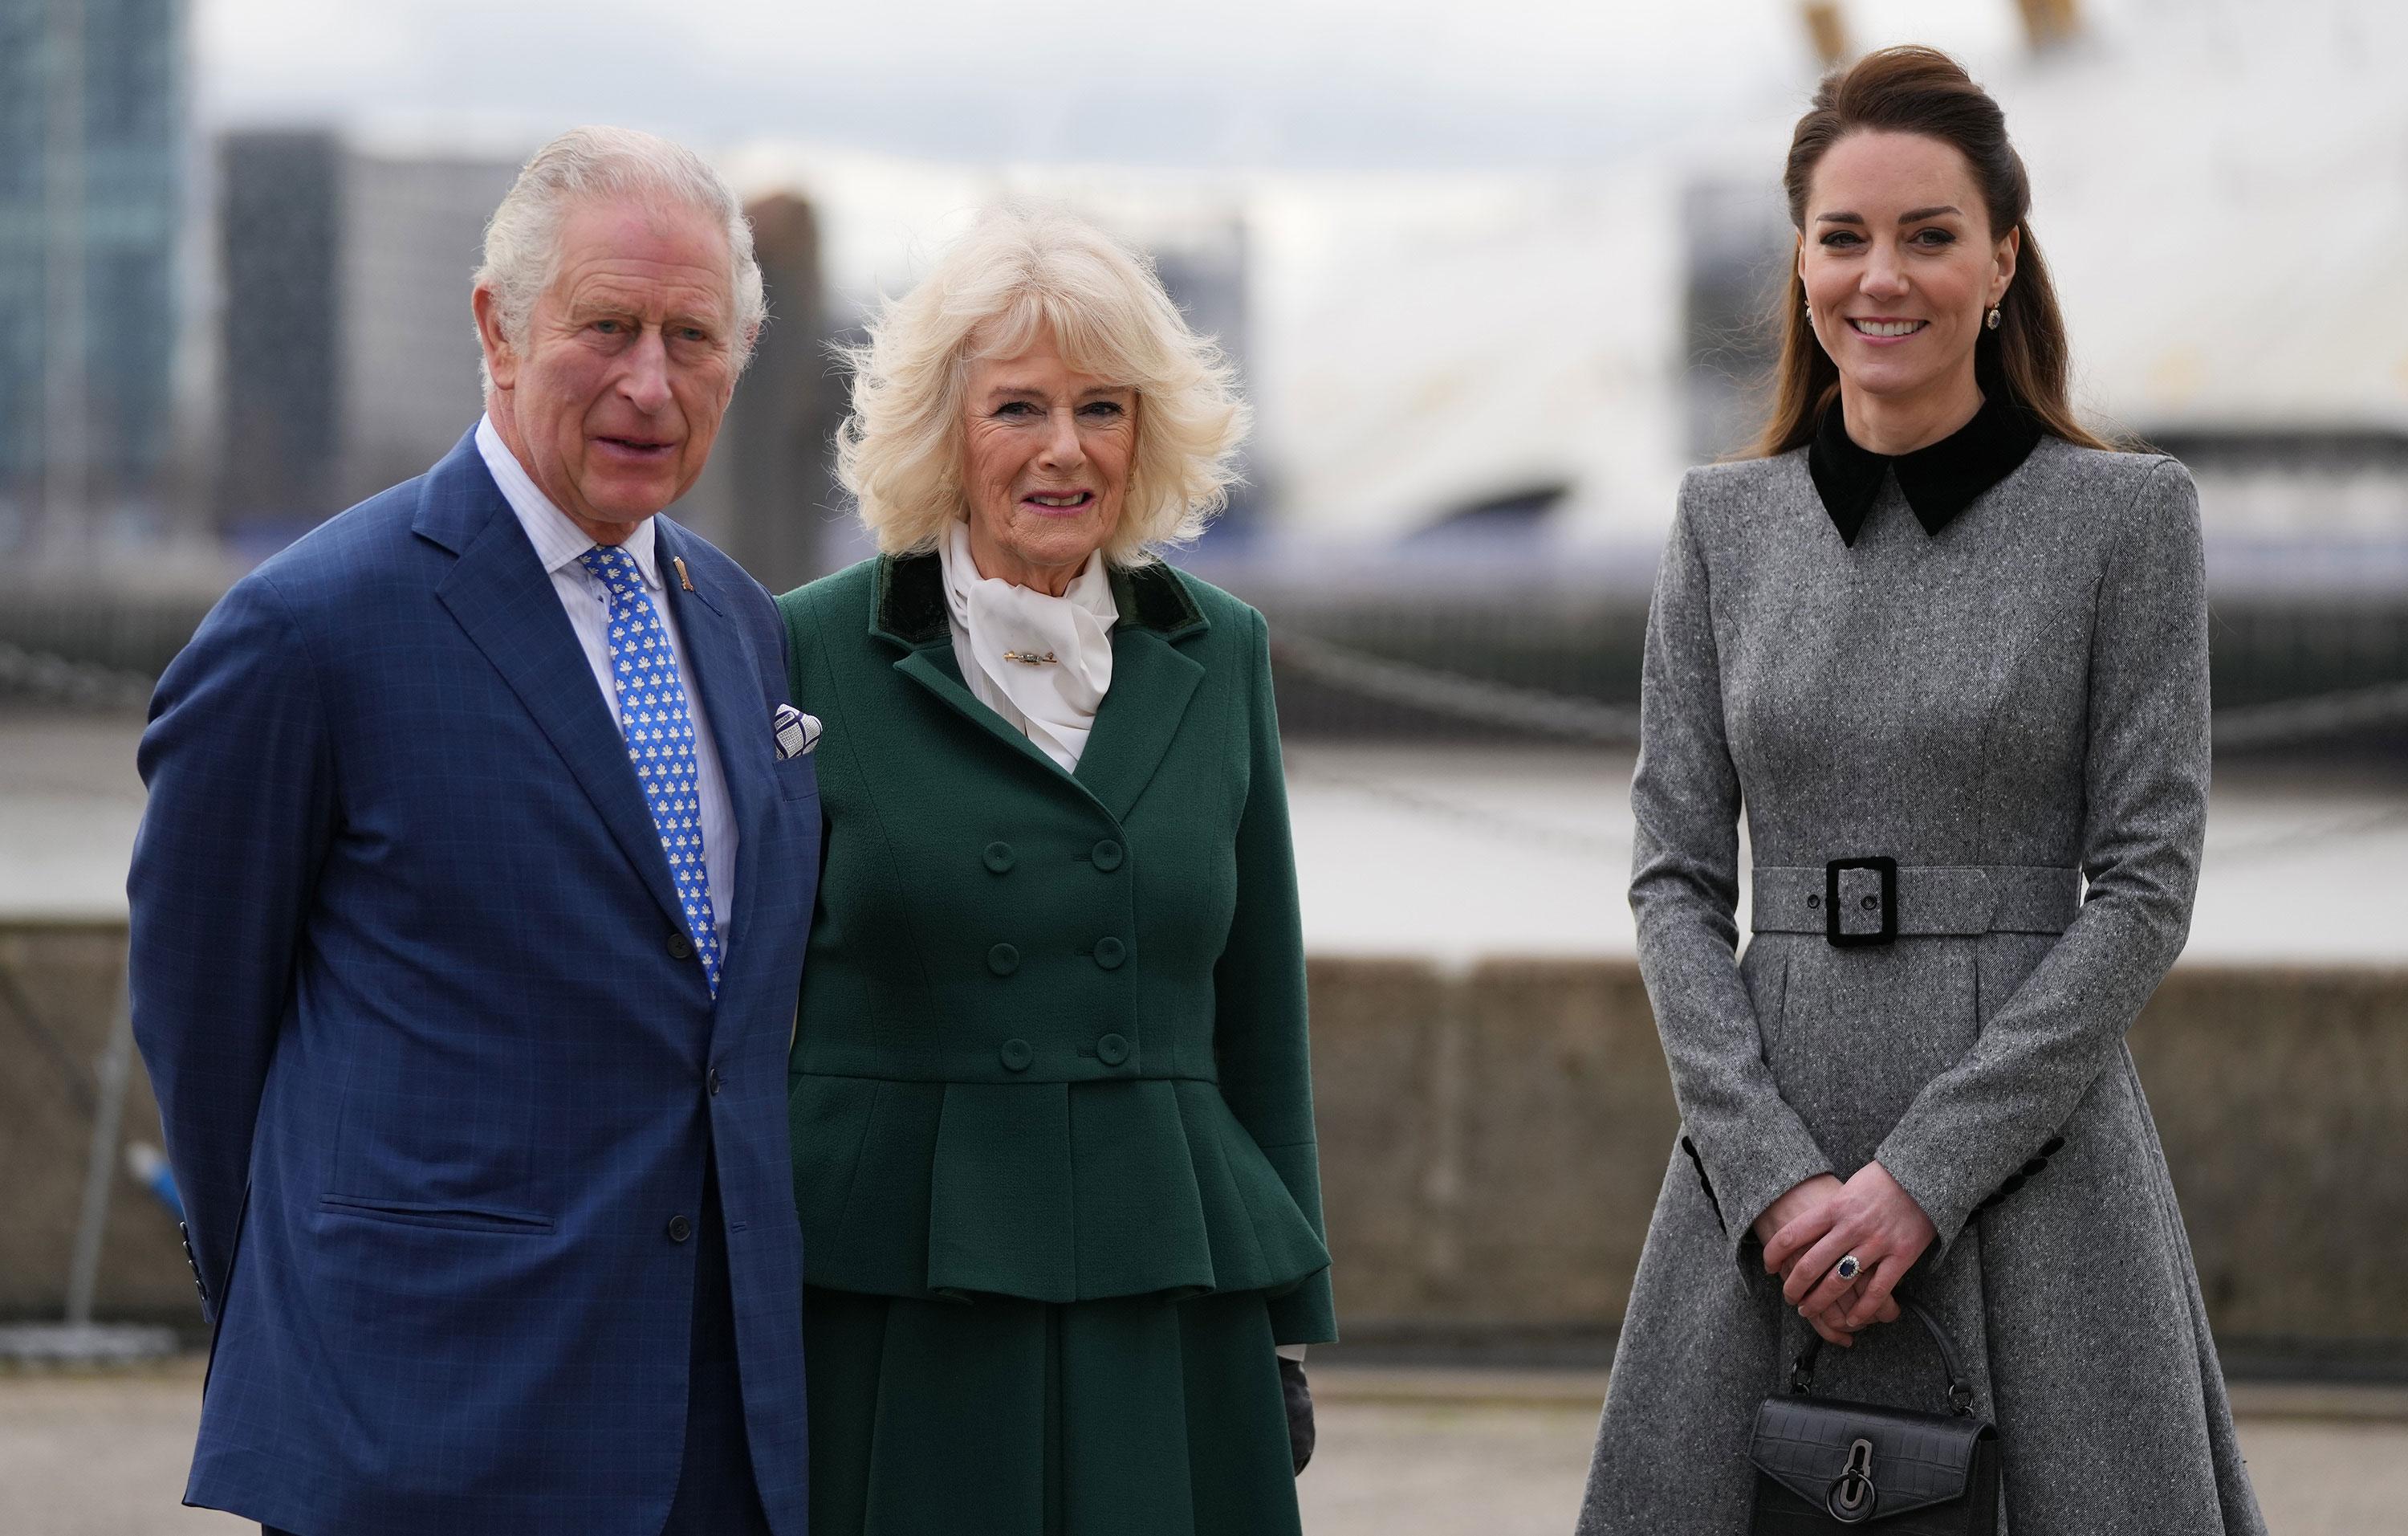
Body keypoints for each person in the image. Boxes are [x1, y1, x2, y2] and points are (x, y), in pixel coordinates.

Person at [1577, 47, 2267, 1533]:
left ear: (2002, 260)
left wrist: (1920, 1179)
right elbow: (1675, 881)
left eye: (1929, 234)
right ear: (1802, 262)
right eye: (1843, 237)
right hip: (1767, 1164)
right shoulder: (1722, 528)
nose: (1880, 278)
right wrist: (1769, 1180)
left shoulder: (2126, 522)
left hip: (2039, 1160)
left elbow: (2148, 884)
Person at [128, 127, 820, 1536]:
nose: (650, 381)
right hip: (423, 1428)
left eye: (693, 337)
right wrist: (313, 1324)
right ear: (497, 327)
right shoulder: (308, 630)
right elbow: (200, 1029)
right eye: (608, 326)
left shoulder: (747, 629)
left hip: (717, 1435)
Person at [774, 203, 1333, 1535]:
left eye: (1104, 407)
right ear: (944, 428)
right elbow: (738, 1000)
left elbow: (1259, 1004)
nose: (1065, 450)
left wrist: (1284, 1325)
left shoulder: (1224, 650)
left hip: (1165, 1279)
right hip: (896, 1283)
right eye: (1018, 407)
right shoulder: (803, 649)